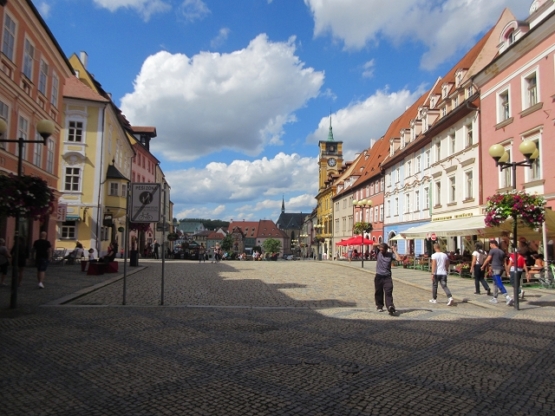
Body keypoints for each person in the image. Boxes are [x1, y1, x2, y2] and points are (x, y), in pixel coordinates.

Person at [481, 240, 513, 306]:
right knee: (495, 283)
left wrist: (483, 266)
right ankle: (494, 298)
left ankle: (507, 297)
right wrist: (507, 271)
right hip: (501, 268)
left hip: (495, 269)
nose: (490, 246)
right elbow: (505, 263)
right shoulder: (501, 252)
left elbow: (488, 259)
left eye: (490, 244)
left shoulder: (492, 251)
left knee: (498, 283)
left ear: (493, 244)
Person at [374, 242, 398, 315]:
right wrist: (381, 245)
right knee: (378, 292)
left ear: (385, 249)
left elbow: (399, 259)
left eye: (382, 249)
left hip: (387, 277)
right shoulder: (378, 253)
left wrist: (394, 250)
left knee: (388, 291)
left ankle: (390, 306)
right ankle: (379, 306)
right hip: (379, 276)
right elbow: (373, 244)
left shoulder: (390, 255)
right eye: (380, 249)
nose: (381, 250)